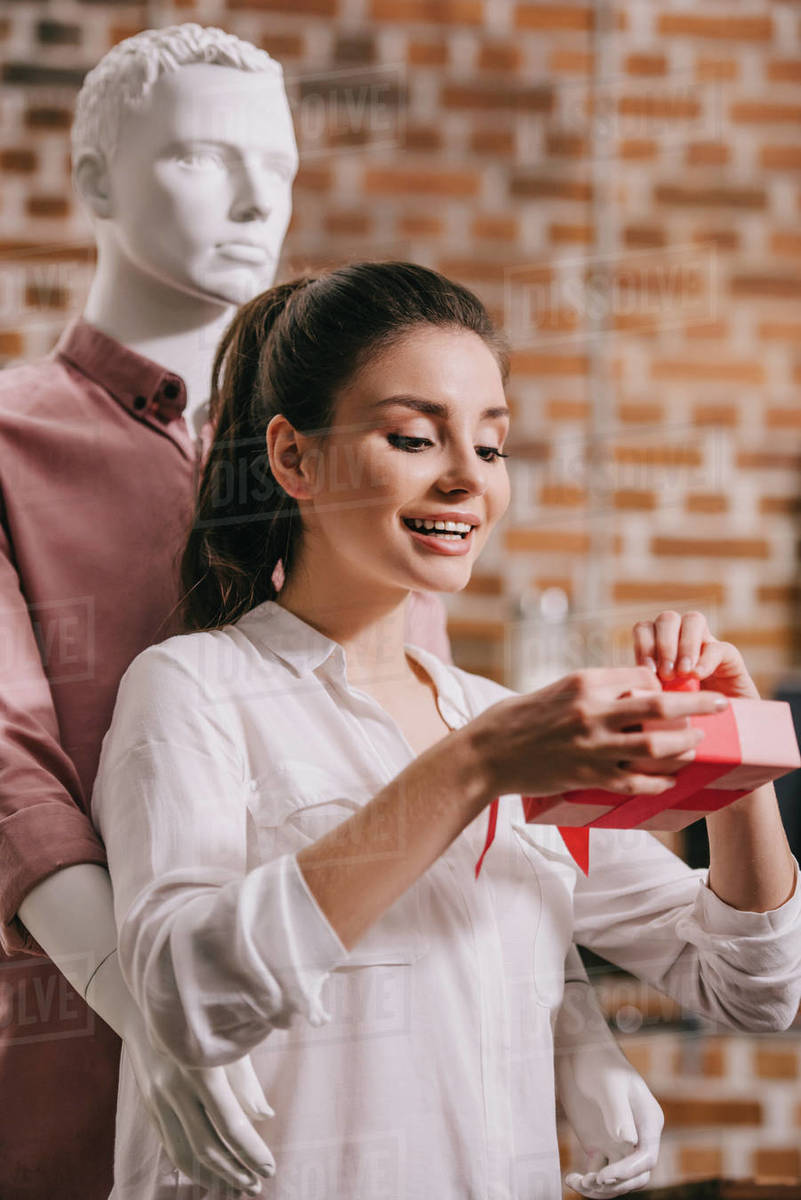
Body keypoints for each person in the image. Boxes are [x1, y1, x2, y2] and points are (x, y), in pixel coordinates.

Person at [92, 262, 801, 1200]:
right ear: (293, 458)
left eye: (493, 447)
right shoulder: (193, 690)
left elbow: (752, 989)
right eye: (415, 437)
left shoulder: (497, 722)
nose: (468, 477)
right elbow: (185, 997)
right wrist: (471, 772)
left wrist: (738, 750)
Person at [0, 23, 453, 1200]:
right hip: (85, 1068)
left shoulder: (368, 450)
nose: (259, 199)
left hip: (381, 1067)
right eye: (204, 158)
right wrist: (168, 1026)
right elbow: (12, 777)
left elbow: (432, 747)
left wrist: (573, 1036)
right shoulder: (6, 444)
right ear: (94, 177)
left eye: (281, 165)